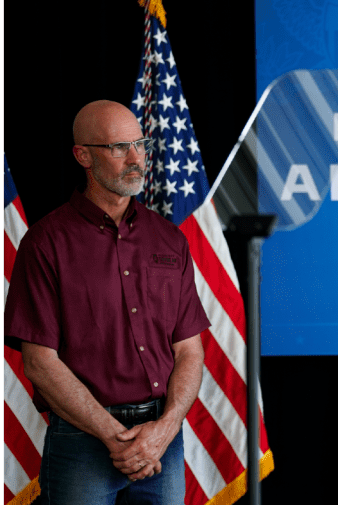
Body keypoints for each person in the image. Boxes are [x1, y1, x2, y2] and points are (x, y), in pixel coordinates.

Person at [3, 100, 209, 504]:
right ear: (83, 156)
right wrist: (117, 440)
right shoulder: (46, 243)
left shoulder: (170, 239)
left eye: (140, 144)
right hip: (82, 443)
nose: (136, 158)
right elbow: (39, 362)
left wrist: (163, 430)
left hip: (162, 442)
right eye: (118, 147)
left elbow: (190, 351)